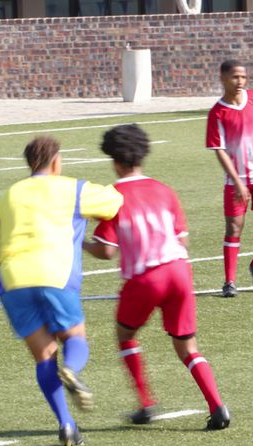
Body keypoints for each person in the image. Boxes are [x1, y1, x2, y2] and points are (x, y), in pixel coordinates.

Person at [85, 124, 231, 430]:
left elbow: (106, 251)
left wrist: (78, 242)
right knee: (188, 348)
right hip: (179, 271)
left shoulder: (113, 197)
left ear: (114, 160)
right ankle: (217, 406)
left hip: (145, 277)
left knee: (125, 335)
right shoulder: (164, 189)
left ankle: (146, 403)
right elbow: (183, 240)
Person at [0, 136, 123, 446]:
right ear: (56, 161)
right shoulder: (71, 187)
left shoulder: (8, 196)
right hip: (54, 274)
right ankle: (72, 369)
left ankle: (66, 425)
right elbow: (114, 202)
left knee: (43, 355)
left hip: (13, 280)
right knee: (75, 337)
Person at [205, 59, 253, 298]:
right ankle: (229, 281)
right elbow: (219, 150)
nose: (239, 82)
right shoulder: (218, 112)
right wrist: (237, 181)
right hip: (236, 181)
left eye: (243, 77)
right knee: (234, 228)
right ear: (223, 78)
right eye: (234, 77)